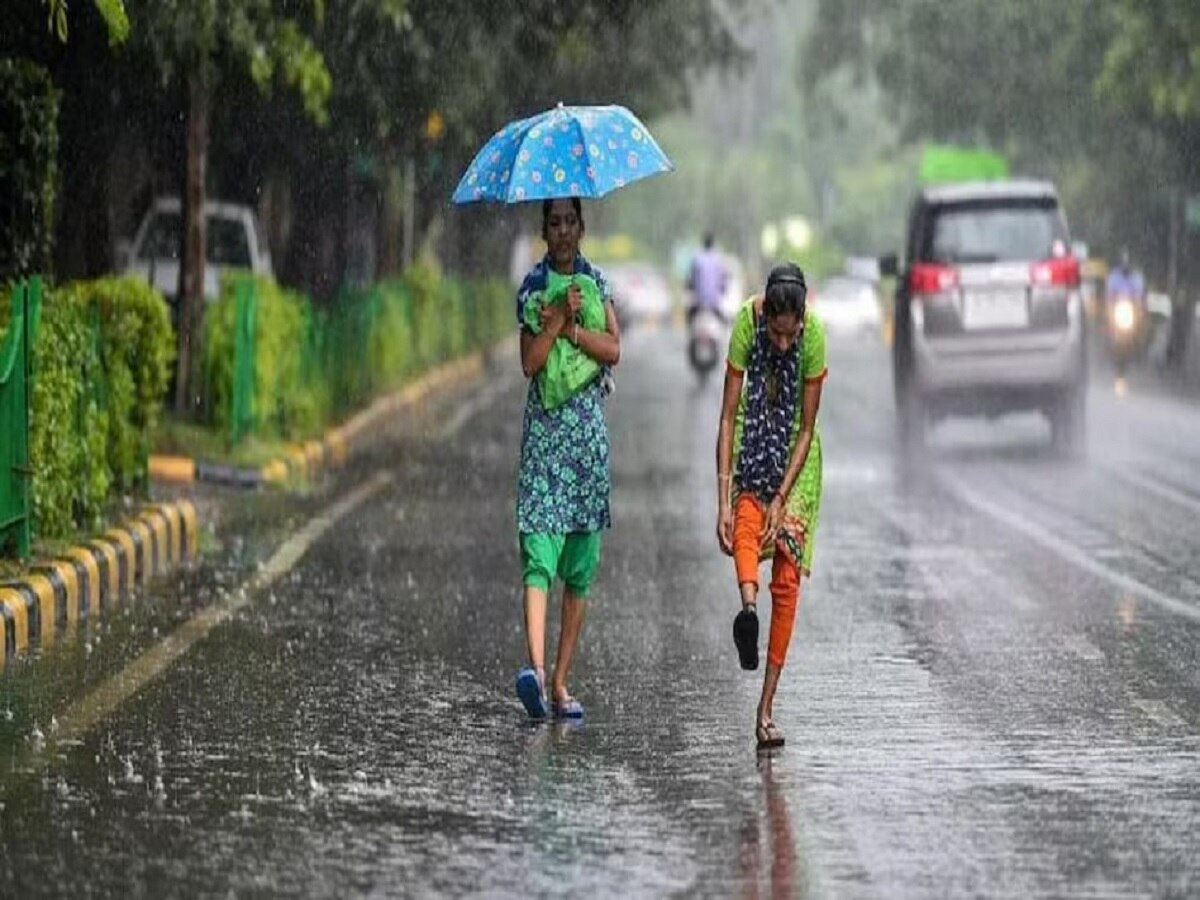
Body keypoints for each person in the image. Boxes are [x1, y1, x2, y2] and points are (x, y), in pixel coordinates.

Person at [513, 197, 622, 720]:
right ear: (544, 230)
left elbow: (614, 349)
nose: (561, 232)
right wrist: (555, 319)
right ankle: (534, 671)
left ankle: (560, 684)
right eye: (553, 223)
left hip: (585, 445)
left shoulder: (599, 284)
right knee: (539, 552)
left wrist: (578, 326)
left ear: (581, 227)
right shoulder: (532, 289)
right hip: (545, 443)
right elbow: (531, 364)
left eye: (569, 223)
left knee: (579, 565)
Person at [715, 263, 827, 750]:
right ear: (765, 318)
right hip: (752, 437)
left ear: (801, 321)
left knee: (786, 579)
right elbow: (726, 416)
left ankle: (765, 711)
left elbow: (806, 428)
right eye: (775, 334)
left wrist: (783, 496)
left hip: (797, 465)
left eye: (791, 335)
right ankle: (747, 611)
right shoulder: (745, 324)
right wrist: (722, 496)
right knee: (743, 523)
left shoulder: (815, 336)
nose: (783, 344)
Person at [687, 232, 730, 324]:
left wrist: (690, 286)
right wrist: (723, 289)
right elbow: (724, 279)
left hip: (699, 302)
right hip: (714, 303)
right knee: (724, 322)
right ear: (712, 244)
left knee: (690, 318)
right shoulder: (718, 259)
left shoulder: (697, 258)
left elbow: (691, 278)